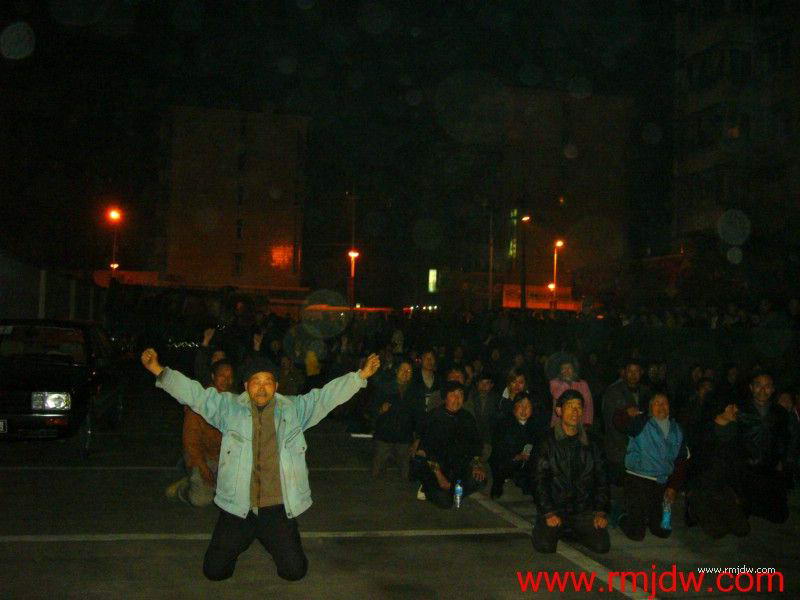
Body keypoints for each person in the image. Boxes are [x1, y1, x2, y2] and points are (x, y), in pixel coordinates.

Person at [140, 347, 381, 582]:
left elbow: (325, 398)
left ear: (276, 386)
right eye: (256, 381)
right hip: (238, 507)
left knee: (295, 572)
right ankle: (240, 540)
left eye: (268, 381)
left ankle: (276, 537)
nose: (262, 387)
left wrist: (360, 376)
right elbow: (196, 396)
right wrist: (160, 371)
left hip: (276, 507)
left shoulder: (294, 410)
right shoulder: (229, 409)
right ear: (246, 386)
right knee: (214, 572)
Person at [532, 390, 610, 554]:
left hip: (583, 511)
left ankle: (573, 531)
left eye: (579, 407)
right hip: (555, 509)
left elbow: (602, 479)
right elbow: (539, 480)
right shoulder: (546, 441)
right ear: (559, 410)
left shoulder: (593, 442)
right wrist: (548, 512)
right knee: (545, 546)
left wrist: (600, 511)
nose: (575, 411)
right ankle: (553, 527)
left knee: (602, 546)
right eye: (570, 406)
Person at [613, 392, 689, 541]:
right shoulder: (641, 423)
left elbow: (681, 461)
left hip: (661, 483)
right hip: (638, 481)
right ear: (650, 407)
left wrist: (673, 487)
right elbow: (618, 422)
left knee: (663, 531)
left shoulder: (677, 430)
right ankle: (619, 513)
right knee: (636, 534)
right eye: (657, 403)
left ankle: (646, 515)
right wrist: (626, 413)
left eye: (664, 403)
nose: (661, 406)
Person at [165, 359, 233, 506]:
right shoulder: (199, 402)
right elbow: (191, 442)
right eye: (222, 376)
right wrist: (203, 467)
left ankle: (216, 485)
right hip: (202, 456)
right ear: (213, 376)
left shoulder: (234, 401)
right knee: (201, 500)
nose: (226, 381)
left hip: (225, 459)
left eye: (229, 377)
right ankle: (184, 488)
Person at [412, 381, 486, 508]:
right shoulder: (434, 417)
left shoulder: (467, 417)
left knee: (480, 479)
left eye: (460, 395)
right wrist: (440, 477)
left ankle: (453, 490)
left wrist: (477, 464)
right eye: (453, 395)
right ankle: (430, 487)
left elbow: (475, 445)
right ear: (445, 397)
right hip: (436, 468)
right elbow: (426, 450)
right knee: (445, 502)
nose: (457, 399)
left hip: (458, 467)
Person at [685, 396, 750, 539]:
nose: (736, 409)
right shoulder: (703, 431)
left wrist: (737, 493)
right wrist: (690, 489)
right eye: (731, 406)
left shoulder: (737, 431)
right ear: (720, 408)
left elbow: (738, 466)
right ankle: (694, 508)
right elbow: (692, 463)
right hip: (702, 486)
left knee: (742, 529)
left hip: (723, 486)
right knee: (718, 531)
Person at [736, 372, 790, 523]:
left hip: (769, 467)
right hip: (746, 467)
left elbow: (784, 439)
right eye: (758, 385)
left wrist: (781, 461)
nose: (762, 390)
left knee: (779, 517)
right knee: (742, 514)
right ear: (751, 387)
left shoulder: (780, 412)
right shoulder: (739, 410)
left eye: (767, 386)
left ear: (772, 389)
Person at [601, 358, 651, 485]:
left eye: (636, 371)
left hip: (641, 450)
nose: (633, 375)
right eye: (630, 371)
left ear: (641, 372)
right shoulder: (613, 391)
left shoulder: (646, 391)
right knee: (618, 486)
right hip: (618, 450)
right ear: (624, 372)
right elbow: (609, 421)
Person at [371, 361, 422, 481]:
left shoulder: (415, 391)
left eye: (409, 371)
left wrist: (417, 438)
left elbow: (419, 416)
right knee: (377, 473)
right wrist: (381, 410)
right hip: (384, 436)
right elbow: (372, 408)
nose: (405, 373)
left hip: (404, 438)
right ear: (396, 371)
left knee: (405, 474)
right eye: (403, 369)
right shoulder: (385, 387)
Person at [489, 393, 544, 498]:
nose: (524, 410)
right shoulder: (503, 423)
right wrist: (516, 456)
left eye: (527, 406)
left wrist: (531, 455)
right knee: (500, 464)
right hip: (508, 459)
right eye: (520, 405)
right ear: (514, 407)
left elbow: (539, 444)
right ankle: (498, 483)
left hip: (526, 460)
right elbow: (498, 447)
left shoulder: (535, 424)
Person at [548, 357, 594, 427]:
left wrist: (587, 422)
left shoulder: (583, 384)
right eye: (564, 368)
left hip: (579, 422)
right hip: (560, 423)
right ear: (560, 371)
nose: (567, 370)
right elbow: (557, 395)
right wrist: (565, 382)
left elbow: (588, 404)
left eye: (569, 368)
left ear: (573, 370)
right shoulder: (554, 383)